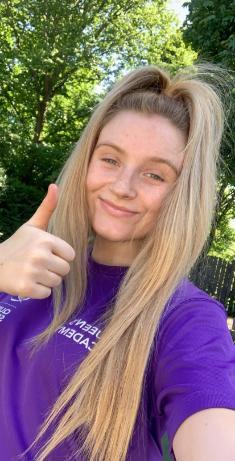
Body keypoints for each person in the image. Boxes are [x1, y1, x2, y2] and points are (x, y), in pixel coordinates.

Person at [0, 64, 235, 461]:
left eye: (154, 175)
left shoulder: (185, 317)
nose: (122, 188)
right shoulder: (28, 263)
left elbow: (212, 423)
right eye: (110, 160)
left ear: (182, 195)